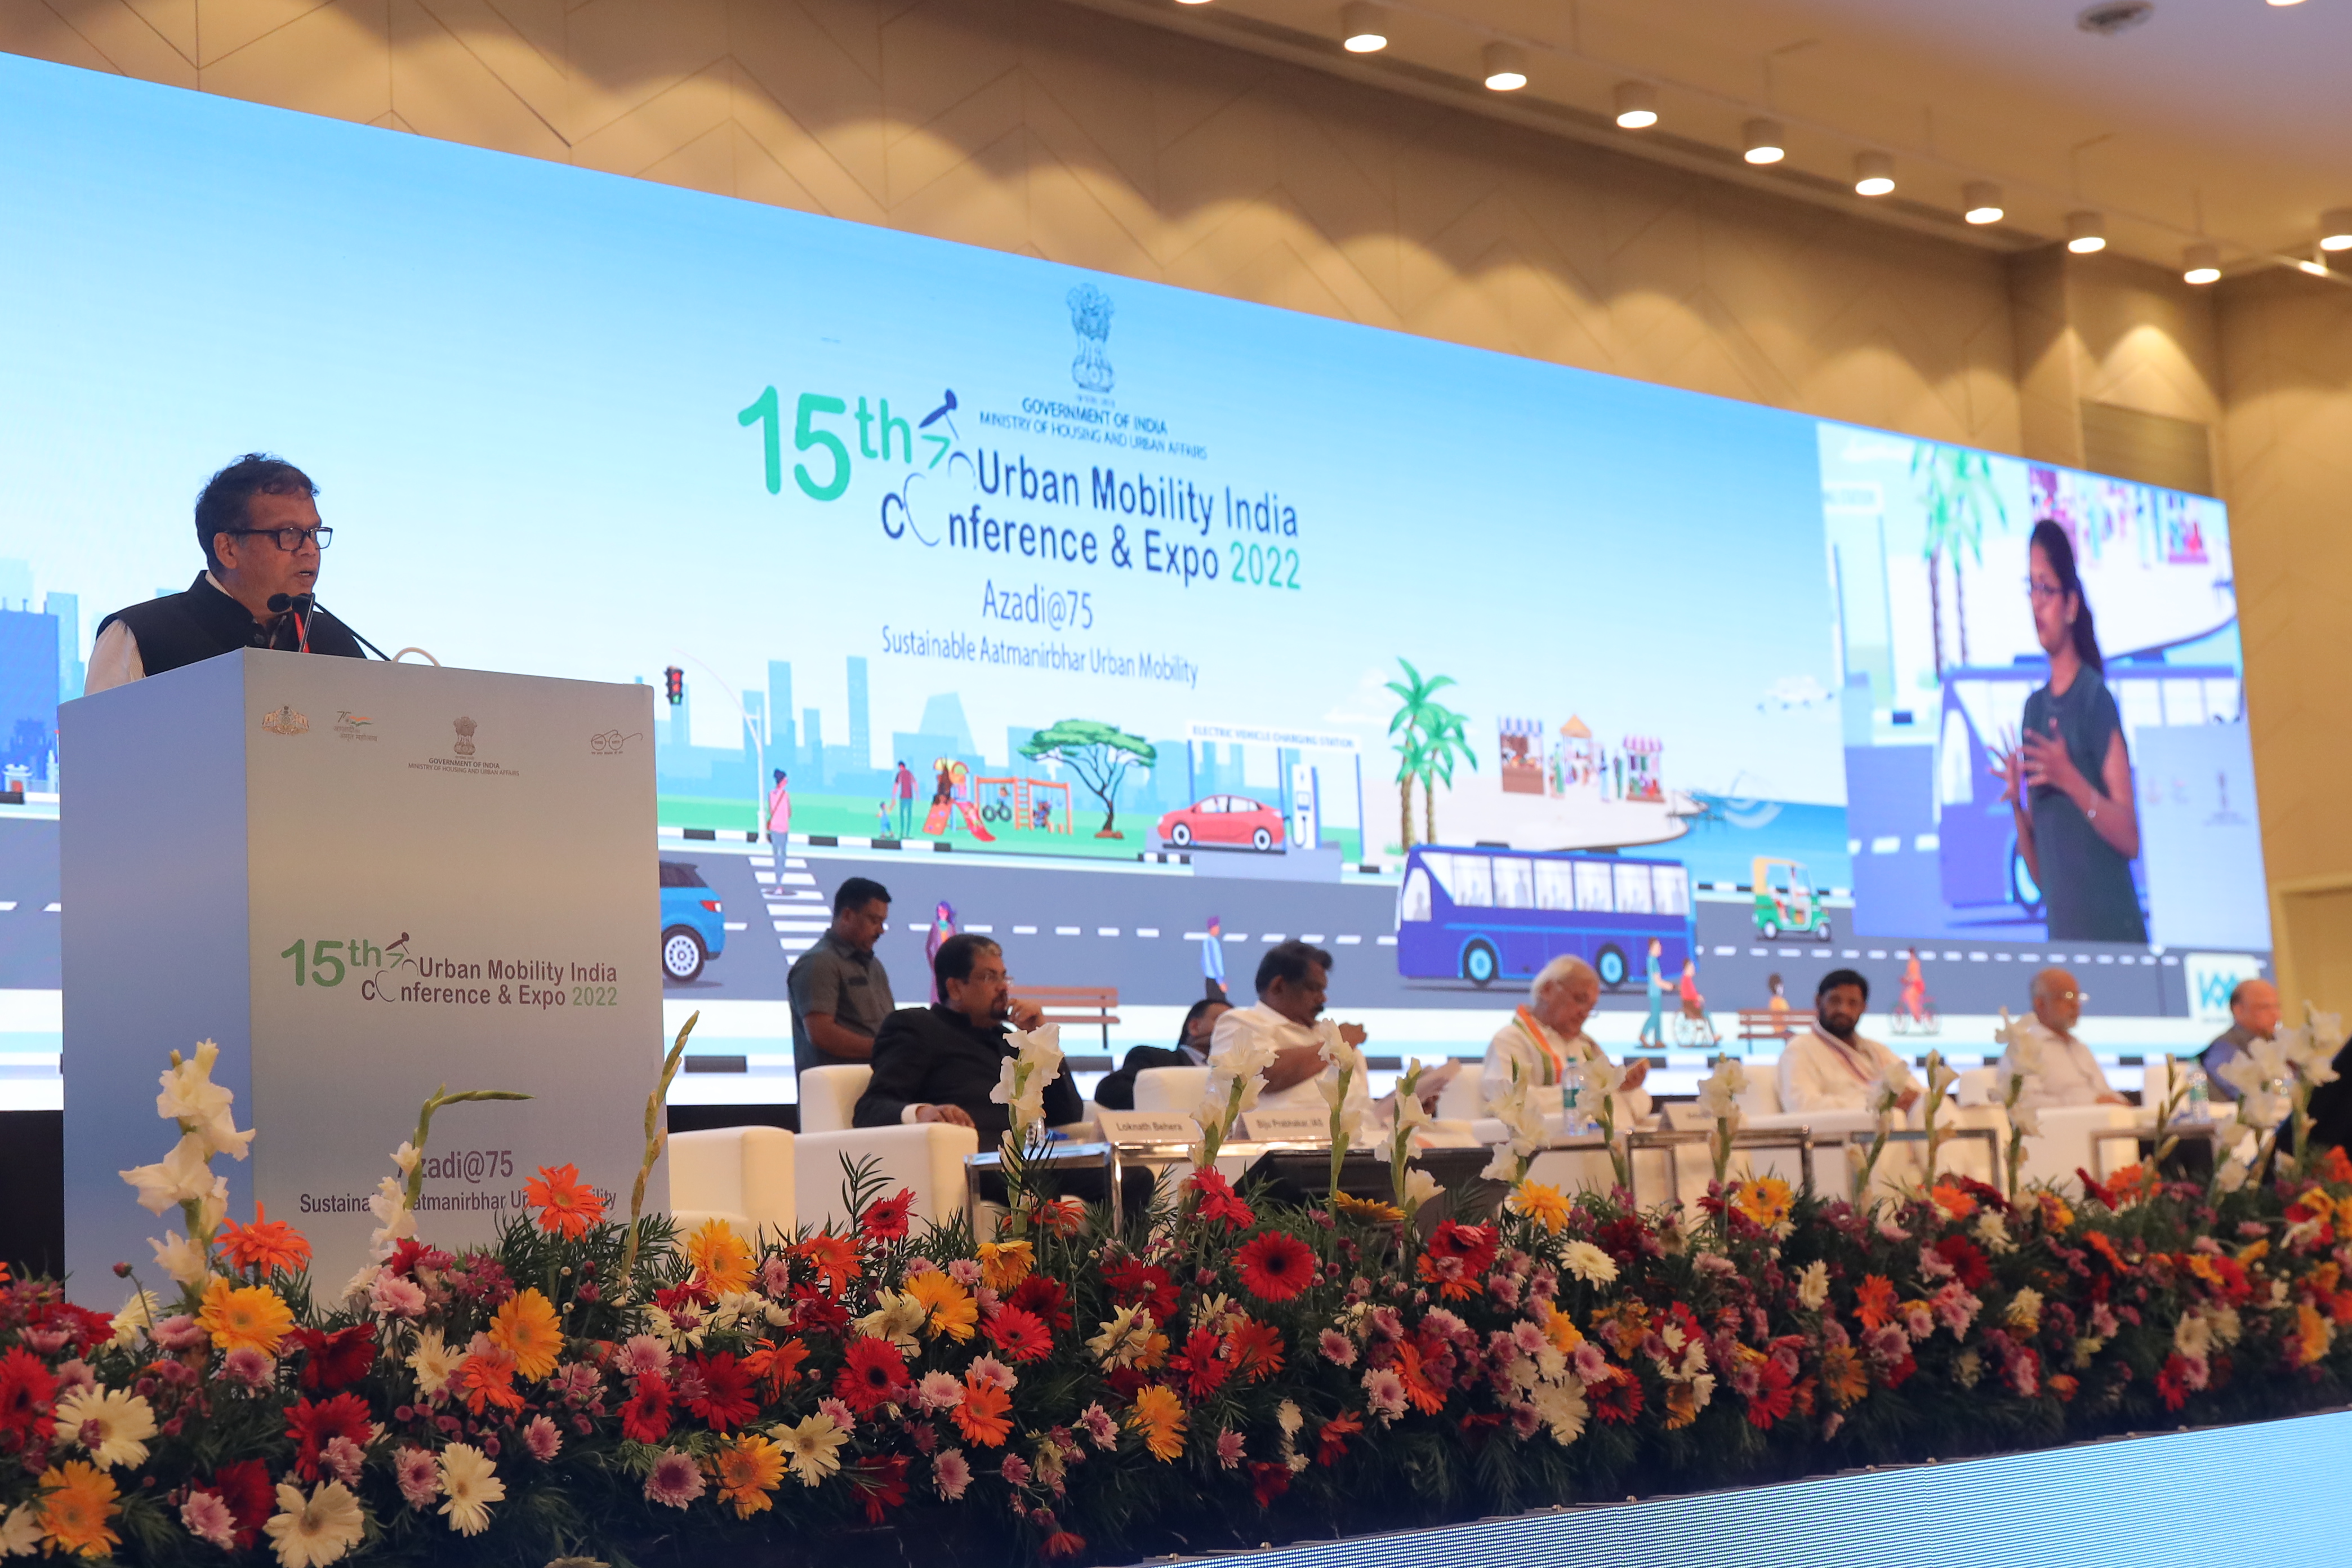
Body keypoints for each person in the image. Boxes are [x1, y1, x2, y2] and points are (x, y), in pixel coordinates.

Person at [87, 454, 371, 693]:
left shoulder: (335, 641)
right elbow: (98, 742)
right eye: (290, 533)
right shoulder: (140, 636)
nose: (310, 549)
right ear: (228, 549)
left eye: (314, 532)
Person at [1990, 520, 2148, 943]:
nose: (2036, 604)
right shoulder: (2034, 711)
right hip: (2065, 948)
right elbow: (2044, 881)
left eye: (2046, 588)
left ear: (2071, 605)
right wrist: (2016, 803)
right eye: (2031, 588)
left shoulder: (2095, 698)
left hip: (2115, 942)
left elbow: (2130, 839)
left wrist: (2069, 778)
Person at [853, 933, 1072, 1133]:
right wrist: (922, 1113)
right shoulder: (918, 1027)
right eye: (989, 977)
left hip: (1025, 1159)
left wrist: (1042, 1041)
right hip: (965, 1157)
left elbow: (1066, 1114)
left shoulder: (1009, 1041)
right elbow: (870, 1109)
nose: (1003, 988)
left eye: (1003, 977)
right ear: (955, 989)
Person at [1208, 941, 1393, 1120]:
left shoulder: (1324, 1033)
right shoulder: (1238, 1023)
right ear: (1278, 986)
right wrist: (1338, 1044)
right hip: (1280, 1136)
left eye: (1323, 990)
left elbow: (1361, 1103)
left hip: (1359, 1135)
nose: (1323, 999)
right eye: (1314, 988)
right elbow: (1263, 1075)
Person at [1482, 956, 1651, 1125]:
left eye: (1591, 1008)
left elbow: (1638, 1103)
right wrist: (1591, 1092)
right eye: (1580, 1000)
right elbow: (1510, 1102)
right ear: (1548, 990)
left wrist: (1626, 1087)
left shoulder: (1585, 1045)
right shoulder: (1511, 1040)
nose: (1584, 1013)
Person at [787, 876, 896, 1076]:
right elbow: (822, 1034)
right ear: (847, 916)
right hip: (836, 1090)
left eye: (883, 922)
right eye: (874, 921)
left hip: (877, 1084)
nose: (881, 930)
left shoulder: (875, 965)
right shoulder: (819, 963)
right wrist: (885, 1049)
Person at [1778, 970, 1921, 1115]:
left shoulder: (1877, 1050)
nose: (1844, 1010)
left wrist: (1913, 1100)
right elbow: (1803, 1107)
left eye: (1853, 1003)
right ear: (1818, 1001)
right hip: (1844, 1129)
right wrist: (1880, 1103)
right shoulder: (1799, 1049)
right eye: (1835, 1001)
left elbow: (1917, 1094)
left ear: (1863, 1008)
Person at [1997, 967, 2126, 1109]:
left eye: (2077, 997)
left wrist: (2124, 1105)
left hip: (2107, 1119)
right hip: (2070, 1121)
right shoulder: (2023, 1048)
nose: (2075, 1005)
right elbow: (2027, 1103)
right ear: (2040, 1003)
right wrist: (2092, 1105)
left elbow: (2106, 1092)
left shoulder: (2080, 1047)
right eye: (2067, 996)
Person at [1094, 997, 1230, 1111]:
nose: (1232, 1030)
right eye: (1223, 1022)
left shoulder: (1236, 1071)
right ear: (1194, 1027)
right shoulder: (1156, 1059)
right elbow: (1109, 1091)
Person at [2199, 977, 2280, 1104]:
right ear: (2239, 1010)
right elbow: (2247, 1094)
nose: (2276, 1015)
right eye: (2264, 1007)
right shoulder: (2223, 1048)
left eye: (2277, 1007)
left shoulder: (2278, 1043)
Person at [924, 900, 959, 1004]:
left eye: (943, 911)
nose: (941, 914)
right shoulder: (935, 926)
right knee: (936, 985)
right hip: (938, 960)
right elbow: (929, 946)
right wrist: (932, 961)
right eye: (939, 911)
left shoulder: (951, 927)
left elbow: (955, 944)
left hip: (948, 962)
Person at [1638, 938, 1666, 1050]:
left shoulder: (1652, 960)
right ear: (1652, 947)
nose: (1660, 949)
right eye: (1658, 946)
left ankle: (1658, 1040)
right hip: (1655, 993)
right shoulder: (1653, 961)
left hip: (1656, 992)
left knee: (1658, 1016)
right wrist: (1670, 986)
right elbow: (1657, 981)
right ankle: (1643, 1035)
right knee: (1655, 1015)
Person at [1200, 915, 1227, 1001]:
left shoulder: (1208, 941)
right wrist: (1220, 982)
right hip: (1214, 980)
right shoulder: (1211, 943)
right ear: (1212, 928)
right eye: (1217, 926)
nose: (1219, 928)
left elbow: (1203, 961)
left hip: (1211, 979)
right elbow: (1214, 962)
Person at [766, 770, 792, 858]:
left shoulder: (771, 794)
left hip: (774, 825)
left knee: (775, 849)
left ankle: (777, 864)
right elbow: (789, 813)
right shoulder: (785, 795)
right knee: (783, 850)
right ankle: (781, 866)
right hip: (783, 826)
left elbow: (771, 809)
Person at [894, 760, 917, 838]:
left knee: (904, 815)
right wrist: (917, 794)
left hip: (905, 797)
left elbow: (896, 785)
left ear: (901, 766)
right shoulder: (909, 773)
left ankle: (904, 833)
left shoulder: (901, 774)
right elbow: (915, 783)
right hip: (908, 797)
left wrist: (894, 795)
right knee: (907, 815)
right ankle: (906, 833)